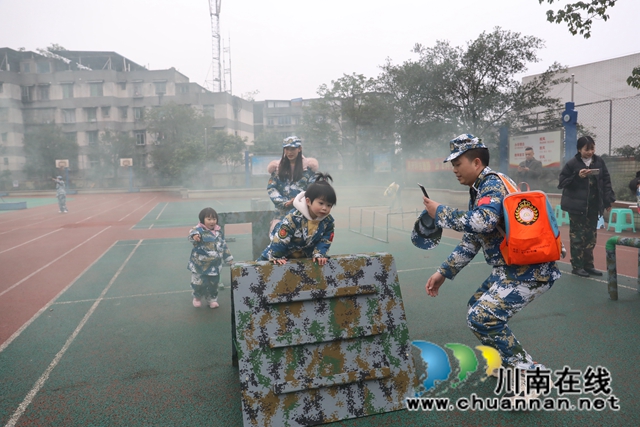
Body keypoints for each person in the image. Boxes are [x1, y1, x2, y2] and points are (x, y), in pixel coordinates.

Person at [418, 134, 561, 402]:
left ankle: (530, 376)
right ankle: (509, 365)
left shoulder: (492, 184)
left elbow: (482, 222)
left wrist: (440, 212)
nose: (454, 169)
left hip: (529, 270)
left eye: (458, 162)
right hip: (511, 269)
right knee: (476, 309)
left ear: (476, 162)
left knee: (483, 317)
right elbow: (473, 239)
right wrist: (443, 272)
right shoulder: (482, 188)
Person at [558, 135, 615, 277]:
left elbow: (605, 181)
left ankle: (588, 265)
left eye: (592, 148)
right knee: (578, 236)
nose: (590, 152)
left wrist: (608, 201)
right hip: (577, 208)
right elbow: (562, 182)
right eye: (587, 149)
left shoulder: (599, 161)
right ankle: (577, 266)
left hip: (593, 207)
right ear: (579, 149)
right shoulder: (572, 163)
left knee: (591, 236)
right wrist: (578, 176)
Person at [259, 172, 336, 265]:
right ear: (308, 201)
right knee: (260, 270)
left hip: (304, 257)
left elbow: (326, 239)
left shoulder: (328, 221)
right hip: (283, 254)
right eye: (321, 203)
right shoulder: (293, 218)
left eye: (329, 205)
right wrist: (276, 255)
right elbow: (281, 237)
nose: (325, 208)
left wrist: (319, 254)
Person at [267, 136, 319, 231]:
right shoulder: (278, 169)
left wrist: (297, 201)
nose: (289, 152)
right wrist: (284, 202)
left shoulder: (308, 170)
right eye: (286, 149)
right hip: (281, 215)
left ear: (299, 149)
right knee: (279, 242)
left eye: (293, 149)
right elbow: (271, 188)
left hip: (302, 214)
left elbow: (313, 189)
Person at [187, 207, 234, 308]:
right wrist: (194, 236)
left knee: (213, 284)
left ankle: (211, 300)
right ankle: (197, 297)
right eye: (209, 219)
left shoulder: (219, 232)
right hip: (200, 265)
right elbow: (192, 234)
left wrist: (228, 258)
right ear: (202, 220)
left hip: (214, 265)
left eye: (214, 219)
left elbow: (223, 246)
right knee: (198, 283)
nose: (212, 221)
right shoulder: (198, 230)